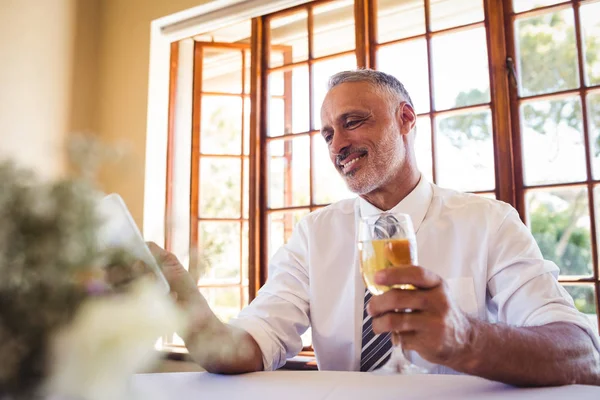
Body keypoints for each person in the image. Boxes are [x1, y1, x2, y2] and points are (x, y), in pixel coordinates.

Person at [148, 69, 600, 386]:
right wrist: (181, 299)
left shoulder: (490, 222)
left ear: (406, 119)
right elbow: (243, 347)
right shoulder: (314, 236)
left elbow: (581, 353)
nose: (338, 144)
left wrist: (465, 338)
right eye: (327, 134)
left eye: (353, 122)